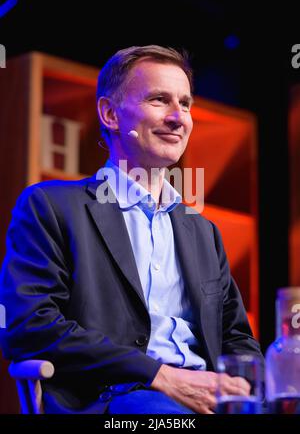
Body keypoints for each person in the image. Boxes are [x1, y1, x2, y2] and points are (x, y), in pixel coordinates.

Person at [0, 45, 263, 414]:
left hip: (208, 400)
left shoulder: (202, 231)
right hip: (114, 400)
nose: (179, 118)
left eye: (185, 104)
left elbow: (235, 336)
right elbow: (27, 325)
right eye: (159, 100)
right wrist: (160, 375)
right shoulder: (50, 206)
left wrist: (249, 385)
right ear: (110, 114)